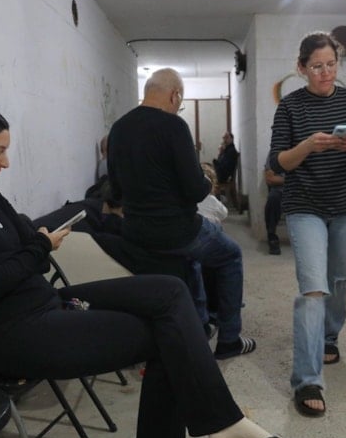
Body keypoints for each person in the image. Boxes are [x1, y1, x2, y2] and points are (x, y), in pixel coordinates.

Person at [0, 102, 300, 438]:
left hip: (46, 304)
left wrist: (31, 251)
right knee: (169, 334)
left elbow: (34, 259)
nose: (5, 162)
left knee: (171, 291)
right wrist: (35, 248)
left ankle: (212, 426)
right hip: (12, 335)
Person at [108, 68, 256, 360]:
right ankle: (230, 339)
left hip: (136, 232)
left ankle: (199, 328)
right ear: (175, 95)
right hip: (178, 231)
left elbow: (115, 189)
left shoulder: (119, 128)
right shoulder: (174, 126)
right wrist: (206, 182)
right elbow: (195, 190)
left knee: (192, 261)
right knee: (230, 255)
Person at [268, 31, 346, 417]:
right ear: (301, 68)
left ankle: (329, 337)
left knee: (341, 281)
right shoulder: (290, 106)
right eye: (316, 66)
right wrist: (308, 146)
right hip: (305, 207)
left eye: (331, 64)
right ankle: (307, 380)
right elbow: (276, 163)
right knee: (313, 289)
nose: (325, 72)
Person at [263, 155, 285, 255]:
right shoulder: (274, 153)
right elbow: (270, 178)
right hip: (280, 189)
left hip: (303, 189)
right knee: (273, 199)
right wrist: (292, 180)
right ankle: (272, 237)